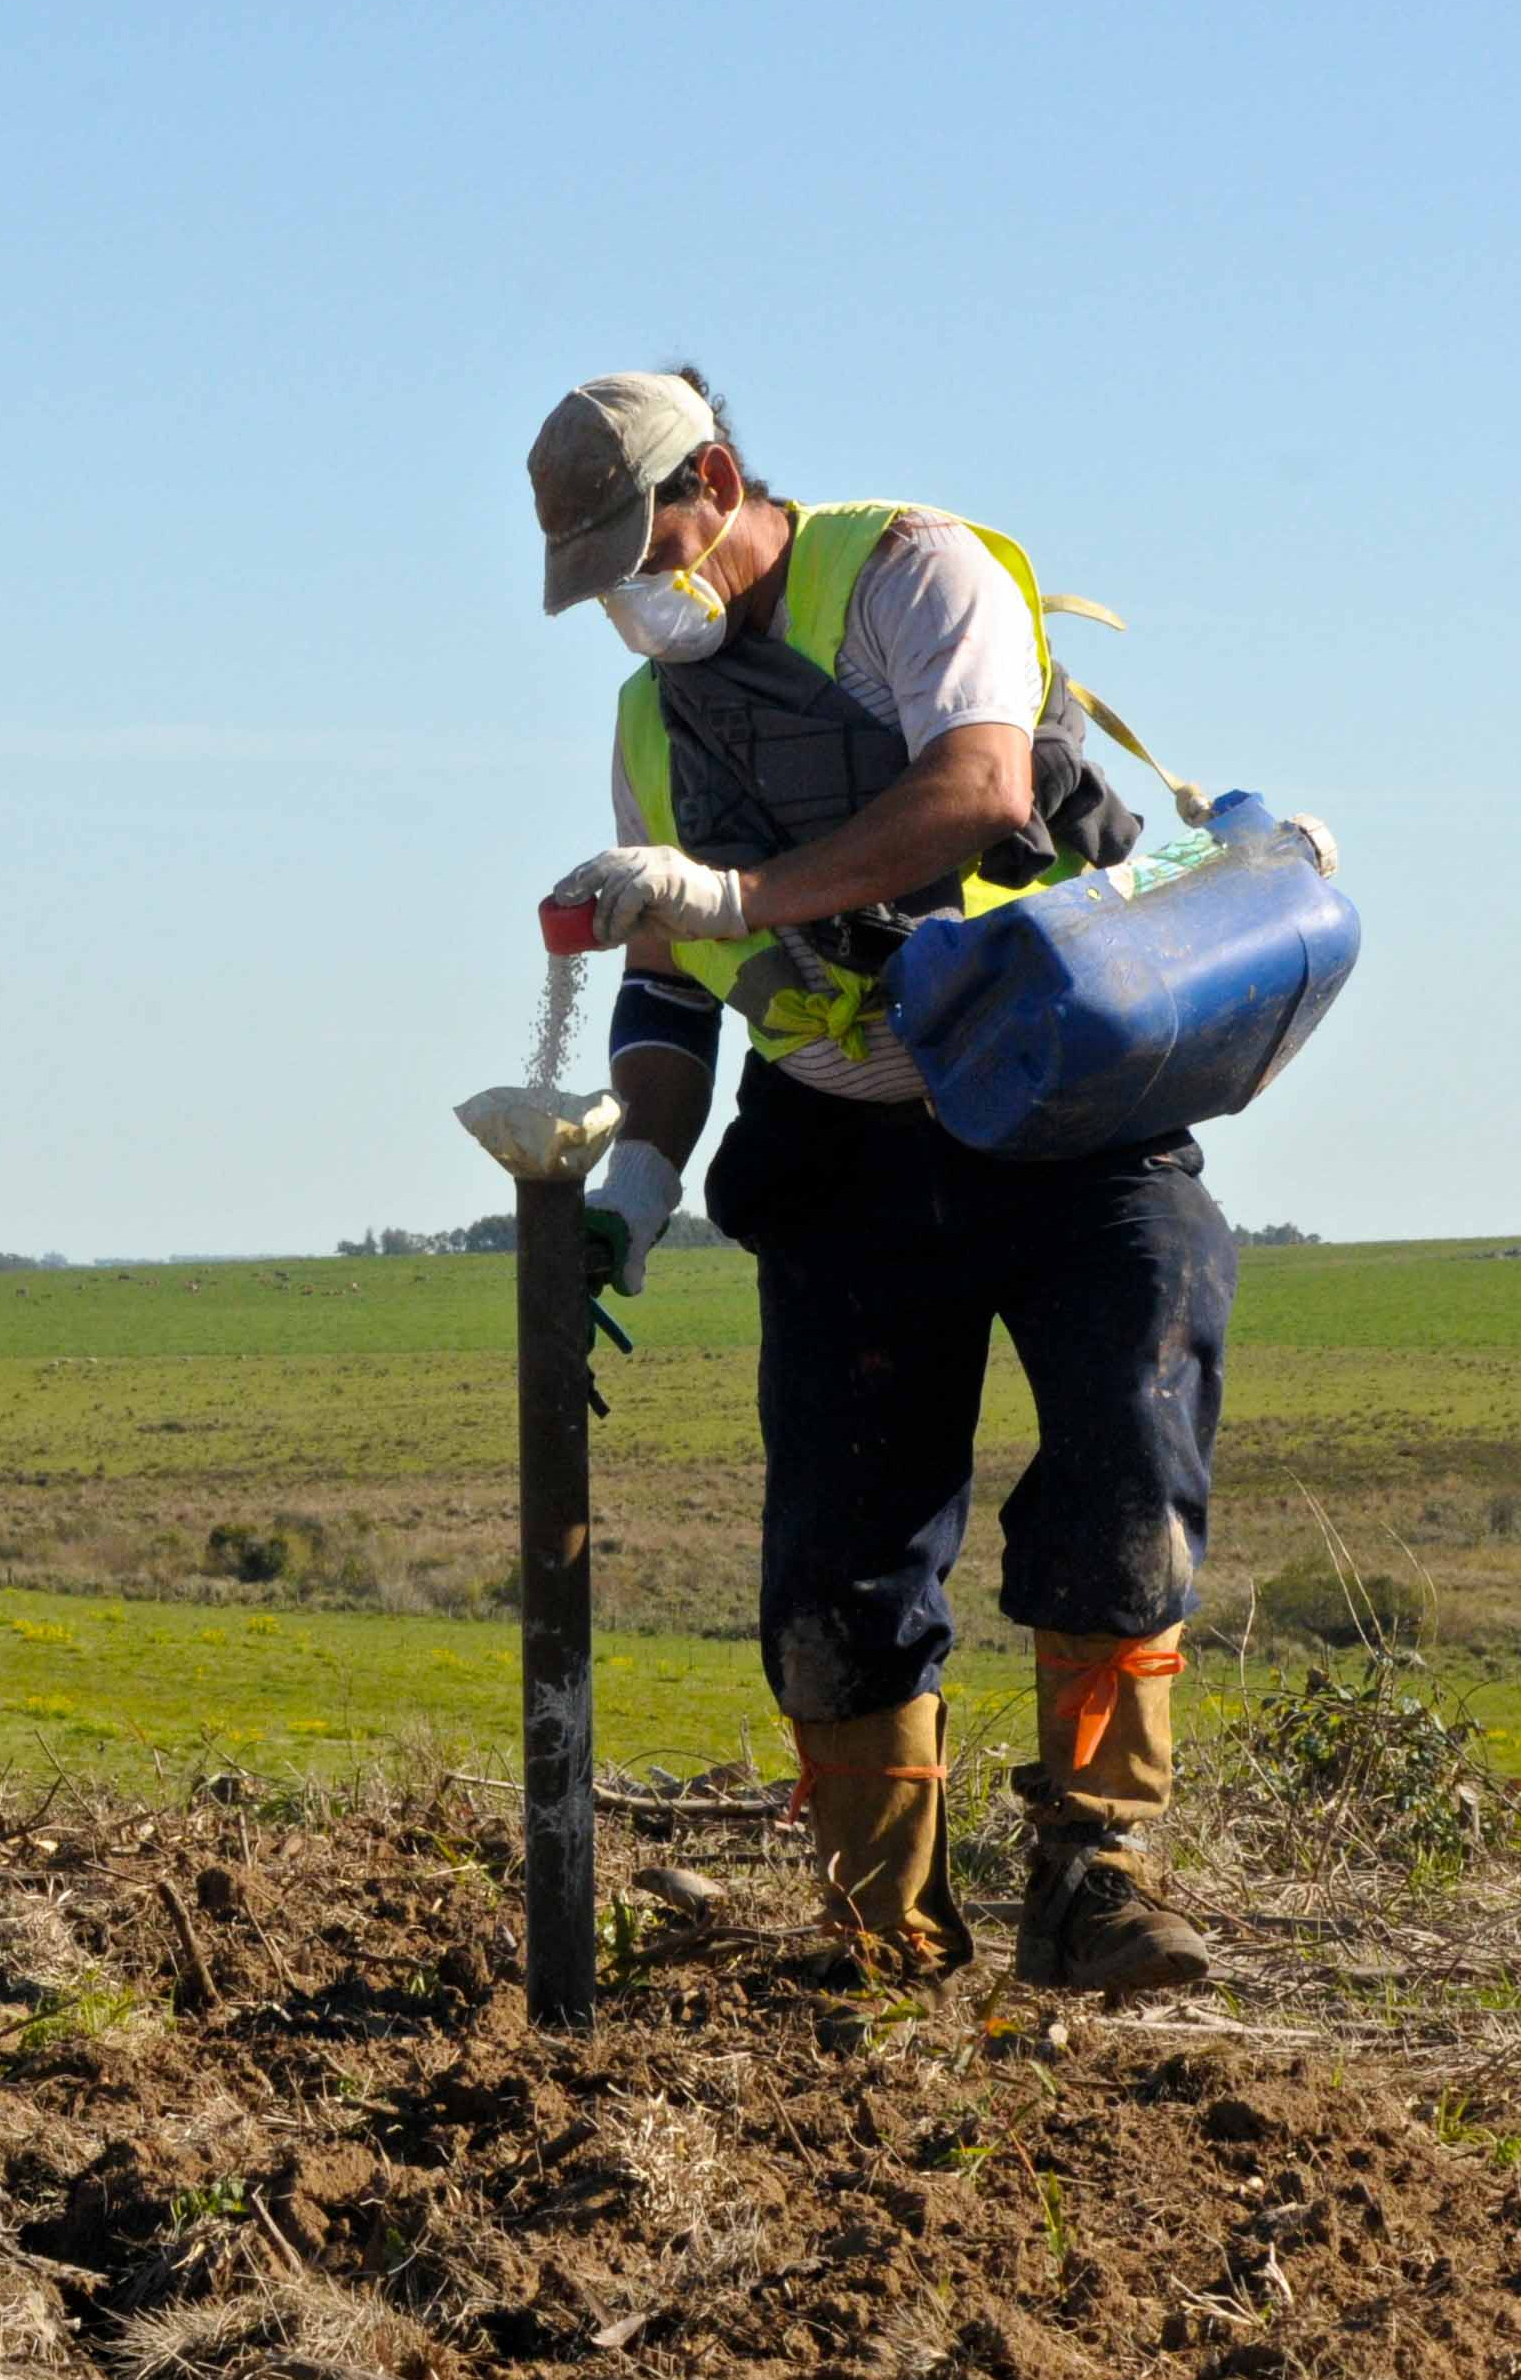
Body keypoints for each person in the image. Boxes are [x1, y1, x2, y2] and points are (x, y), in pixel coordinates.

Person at [527, 368, 1237, 1995]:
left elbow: (981, 791)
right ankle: (883, 1944)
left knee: (1127, 1465)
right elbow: (667, 981)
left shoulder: (913, 578)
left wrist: (738, 884)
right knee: (840, 1567)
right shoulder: (652, 725)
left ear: (712, 476)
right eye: (604, 588)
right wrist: (641, 1171)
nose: (638, 608)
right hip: (843, 1144)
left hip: (1068, 1113)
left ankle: (1098, 1876)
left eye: (650, 549)